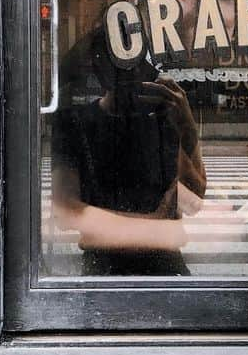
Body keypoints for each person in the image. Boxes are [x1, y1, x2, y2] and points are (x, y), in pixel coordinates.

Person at [51, 29, 207, 276]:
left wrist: (186, 128)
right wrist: (159, 230)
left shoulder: (160, 120)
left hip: (156, 269)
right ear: (101, 70)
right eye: (120, 68)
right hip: (109, 270)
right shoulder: (76, 123)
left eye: (133, 68)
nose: (128, 77)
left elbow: (194, 197)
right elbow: (65, 210)